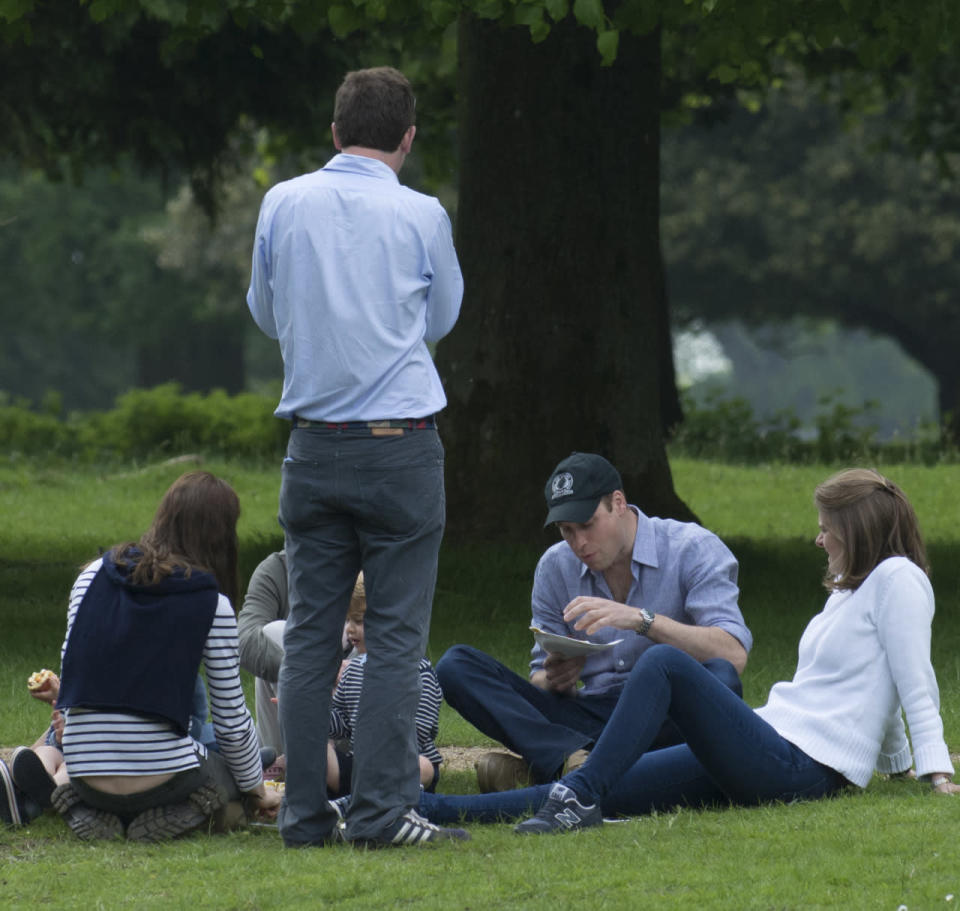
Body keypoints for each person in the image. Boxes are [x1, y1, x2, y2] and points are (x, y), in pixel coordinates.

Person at [417, 468, 959, 831]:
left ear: (857, 530)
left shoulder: (899, 580)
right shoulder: (856, 591)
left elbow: (914, 678)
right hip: (772, 741)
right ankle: (427, 808)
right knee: (616, 788)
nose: (819, 540)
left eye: (826, 530)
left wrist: (935, 773)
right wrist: (896, 766)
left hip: (800, 763)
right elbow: (877, 683)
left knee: (665, 664)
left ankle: (576, 792)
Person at [246, 66, 466, 847]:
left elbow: (265, 313)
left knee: (309, 634)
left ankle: (303, 816)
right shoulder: (422, 213)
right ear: (407, 138)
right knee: (397, 635)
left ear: (334, 133)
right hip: (400, 446)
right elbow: (441, 316)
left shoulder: (283, 201)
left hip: (311, 445)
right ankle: (379, 813)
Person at [436, 451, 752, 791]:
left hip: (667, 714)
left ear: (618, 502)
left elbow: (732, 655)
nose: (579, 543)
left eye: (587, 524)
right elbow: (539, 678)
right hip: (587, 717)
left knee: (721, 680)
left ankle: (548, 773)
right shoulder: (555, 566)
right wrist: (557, 678)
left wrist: (643, 620)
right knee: (456, 666)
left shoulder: (692, 547)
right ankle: (572, 763)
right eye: (566, 530)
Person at [49, 471, 282, 841]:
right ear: (223, 538)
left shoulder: (90, 577)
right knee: (230, 777)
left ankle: (86, 807)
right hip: (164, 778)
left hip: (84, 769)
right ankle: (192, 811)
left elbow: (69, 671)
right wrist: (258, 789)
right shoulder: (212, 603)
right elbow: (232, 722)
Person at [327, 573, 443, 798]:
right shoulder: (352, 670)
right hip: (360, 765)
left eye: (359, 621)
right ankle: (355, 795)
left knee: (423, 766)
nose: (350, 629)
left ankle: (378, 796)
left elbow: (419, 731)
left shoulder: (417, 671)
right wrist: (313, 709)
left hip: (403, 763)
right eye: (347, 619)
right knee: (316, 749)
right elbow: (340, 722)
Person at [237, 550, 354, 761]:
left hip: (351, 723)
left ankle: (330, 768)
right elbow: (245, 640)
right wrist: (312, 672)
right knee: (274, 633)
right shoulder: (278, 569)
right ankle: (295, 766)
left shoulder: (363, 562)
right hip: (289, 722)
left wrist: (346, 674)